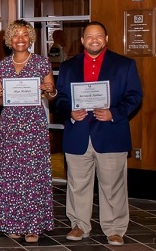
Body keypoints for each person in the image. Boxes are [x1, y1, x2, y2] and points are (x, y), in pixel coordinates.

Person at [55, 21, 142, 246]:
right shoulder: (68, 67)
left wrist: (114, 113)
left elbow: (134, 96)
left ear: (106, 39)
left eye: (99, 36)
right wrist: (70, 112)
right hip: (78, 133)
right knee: (77, 184)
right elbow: (60, 99)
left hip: (111, 133)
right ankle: (79, 225)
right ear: (82, 40)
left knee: (113, 185)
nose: (95, 40)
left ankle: (114, 229)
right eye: (90, 36)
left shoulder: (124, 65)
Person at [0, 20, 56, 243]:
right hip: (10, 126)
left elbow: (52, 94)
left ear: (31, 39)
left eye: (25, 35)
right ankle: (12, 222)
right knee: (9, 174)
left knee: (33, 174)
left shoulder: (41, 63)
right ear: (9, 39)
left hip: (34, 125)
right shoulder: (1, 67)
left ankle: (33, 225)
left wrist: (51, 90)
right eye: (16, 35)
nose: (20, 39)